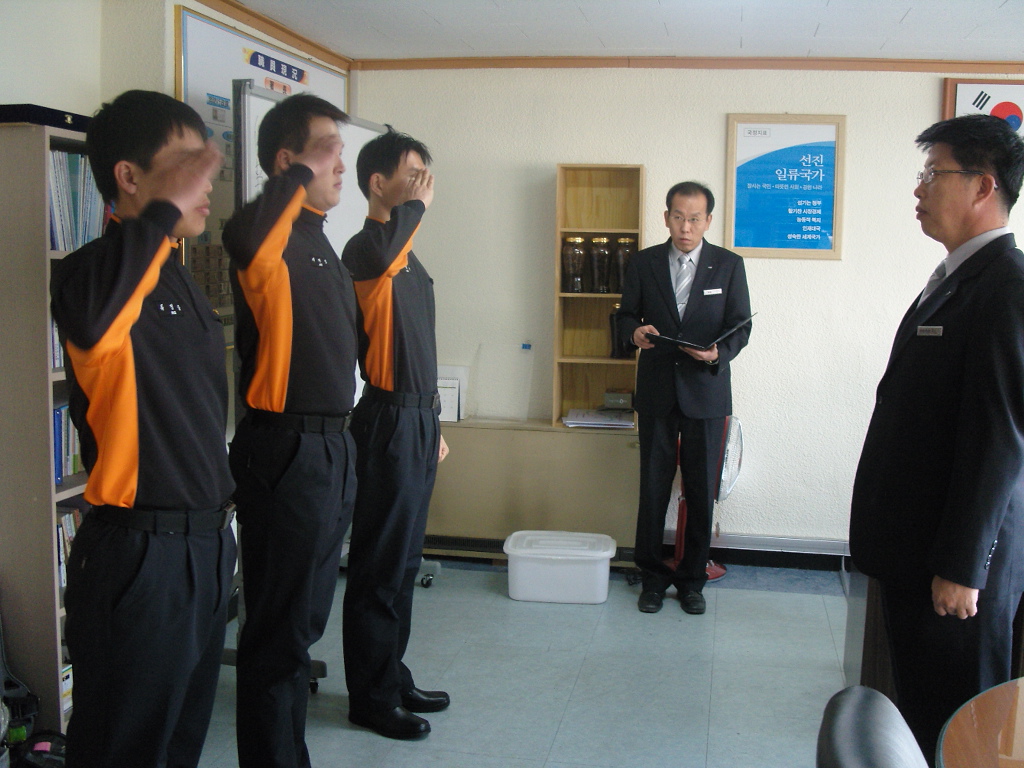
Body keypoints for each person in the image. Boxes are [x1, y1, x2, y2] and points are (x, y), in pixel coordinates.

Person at [50, 90, 235, 768]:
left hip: (205, 549)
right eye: (186, 163)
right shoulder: (89, 275)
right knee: (124, 750)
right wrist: (160, 214)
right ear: (129, 176)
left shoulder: (178, 278)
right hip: (140, 558)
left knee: (180, 740)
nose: (204, 181)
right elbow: (98, 316)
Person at [850, 113, 1024, 766]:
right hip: (919, 555)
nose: (919, 188)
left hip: (955, 578)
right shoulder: (957, 278)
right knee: (924, 717)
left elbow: (1000, 438)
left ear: (982, 186)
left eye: (933, 173)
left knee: (962, 730)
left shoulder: (1007, 287)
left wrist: (961, 566)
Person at [222, 93, 357, 768]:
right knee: (278, 633)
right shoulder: (267, 236)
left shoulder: (319, 238)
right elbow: (244, 235)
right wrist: (296, 178)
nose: (341, 164)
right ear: (286, 162)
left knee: (302, 624)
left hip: (333, 445)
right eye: (328, 149)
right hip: (286, 448)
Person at [341, 127, 450, 740]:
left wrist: (433, 420)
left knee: (405, 562)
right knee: (380, 566)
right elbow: (383, 254)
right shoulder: (367, 248)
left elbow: (417, 346)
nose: (423, 187)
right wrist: (416, 207)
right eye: (412, 175)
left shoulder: (408, 255)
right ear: (378, 184)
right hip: (385, 419)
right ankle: (371, 697)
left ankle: (392, 674)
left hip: (417, 419)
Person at [616, 181, 751, 615]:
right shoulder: (644, 262)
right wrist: (634, 332)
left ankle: (692, 581)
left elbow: (741, 325)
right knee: (653, 488)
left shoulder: (728, 265)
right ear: (666, 217)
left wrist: (717, 353)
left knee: (700, 489)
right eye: (678, 217)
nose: (685, 227)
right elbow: (624, 316)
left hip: (706, 393)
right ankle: (652, 578)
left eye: (694, 219)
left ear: (708, 220)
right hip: (658, 391)